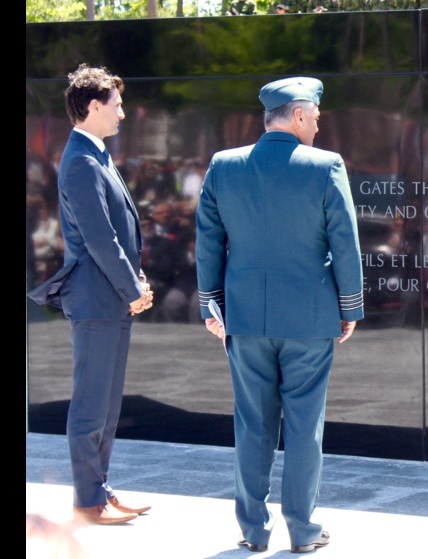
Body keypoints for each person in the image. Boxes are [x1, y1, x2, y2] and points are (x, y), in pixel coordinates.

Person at [195, 77, 363, 553]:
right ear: (298, 115)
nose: (317, 125)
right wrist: (348, 306)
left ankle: (253, 531)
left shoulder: (223, 166)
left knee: (252, 425)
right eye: (314, 116)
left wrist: (212, 305)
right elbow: (345, 244)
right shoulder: (326, 166)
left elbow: (209, 241)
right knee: (305, 427)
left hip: (244, 318)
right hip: (310, 318)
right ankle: (304, 531)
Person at [28, 65, 154, 524]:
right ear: (93, 106)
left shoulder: (95, 155)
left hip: (111, 299)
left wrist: (134, 284)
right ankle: (87, 500)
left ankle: (98, 488)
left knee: (107, 404)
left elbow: (115, 233)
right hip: (98, 300)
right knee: (90, 404)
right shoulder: (81, 161)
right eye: (116, 104)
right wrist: (132, 286)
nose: (122, 112)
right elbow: (101, 239)